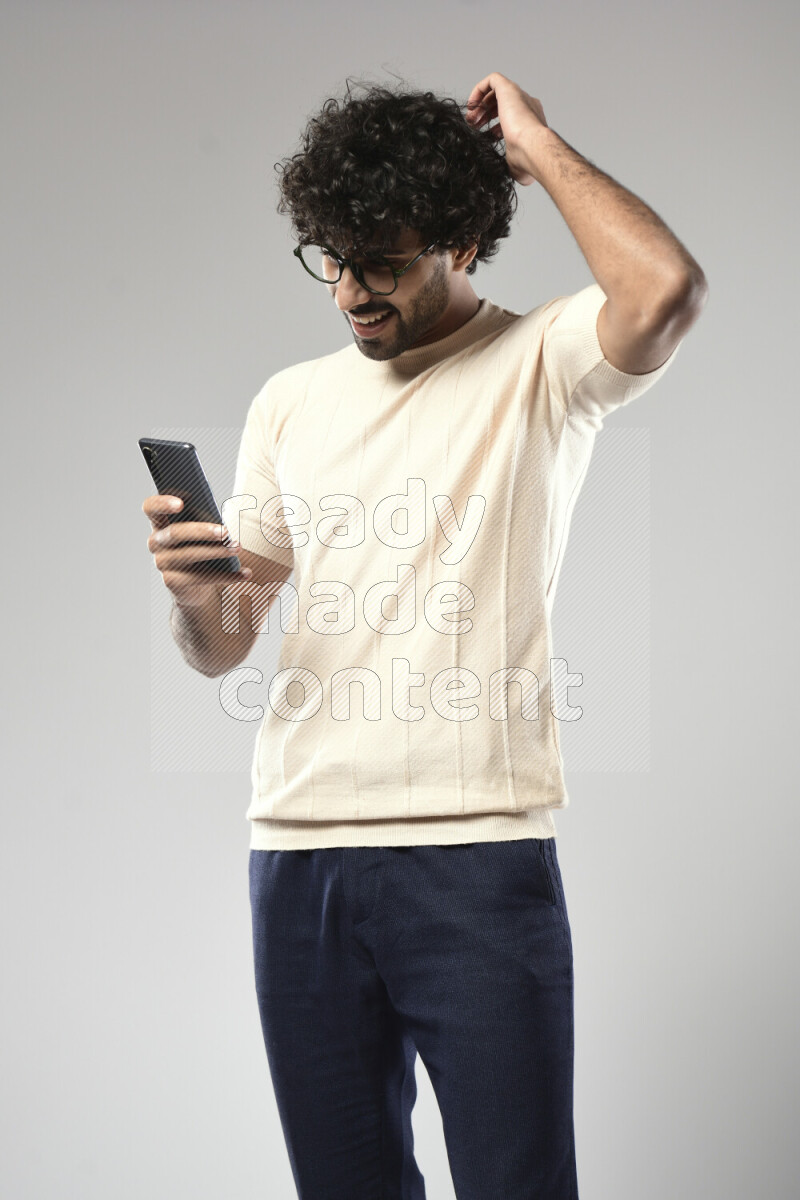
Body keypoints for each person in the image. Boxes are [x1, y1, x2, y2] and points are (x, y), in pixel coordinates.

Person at [142, 72, 707, 1200]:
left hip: (474, 856)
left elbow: (663, 290)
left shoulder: (541, 360)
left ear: (460, 242)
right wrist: (198, 595)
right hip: (297, 853)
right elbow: (225, 645)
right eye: (331, 260)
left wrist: (534, 145)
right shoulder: (289, 402)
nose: (350, 292)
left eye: (383, 263)